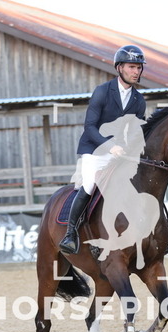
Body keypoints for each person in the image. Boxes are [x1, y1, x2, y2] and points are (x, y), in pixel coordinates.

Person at [59, 45, 147, 254]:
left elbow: (136, 131)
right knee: (90, 185)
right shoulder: (102, 91)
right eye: (132, 67)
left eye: (139, 68)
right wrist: (110, 146)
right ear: (119, 68)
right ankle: (71, 234)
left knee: (135, 186)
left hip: (120, 154)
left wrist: (129, 149)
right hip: (95, 150)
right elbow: (89, 127)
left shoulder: (139, 100)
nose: (136, 71)